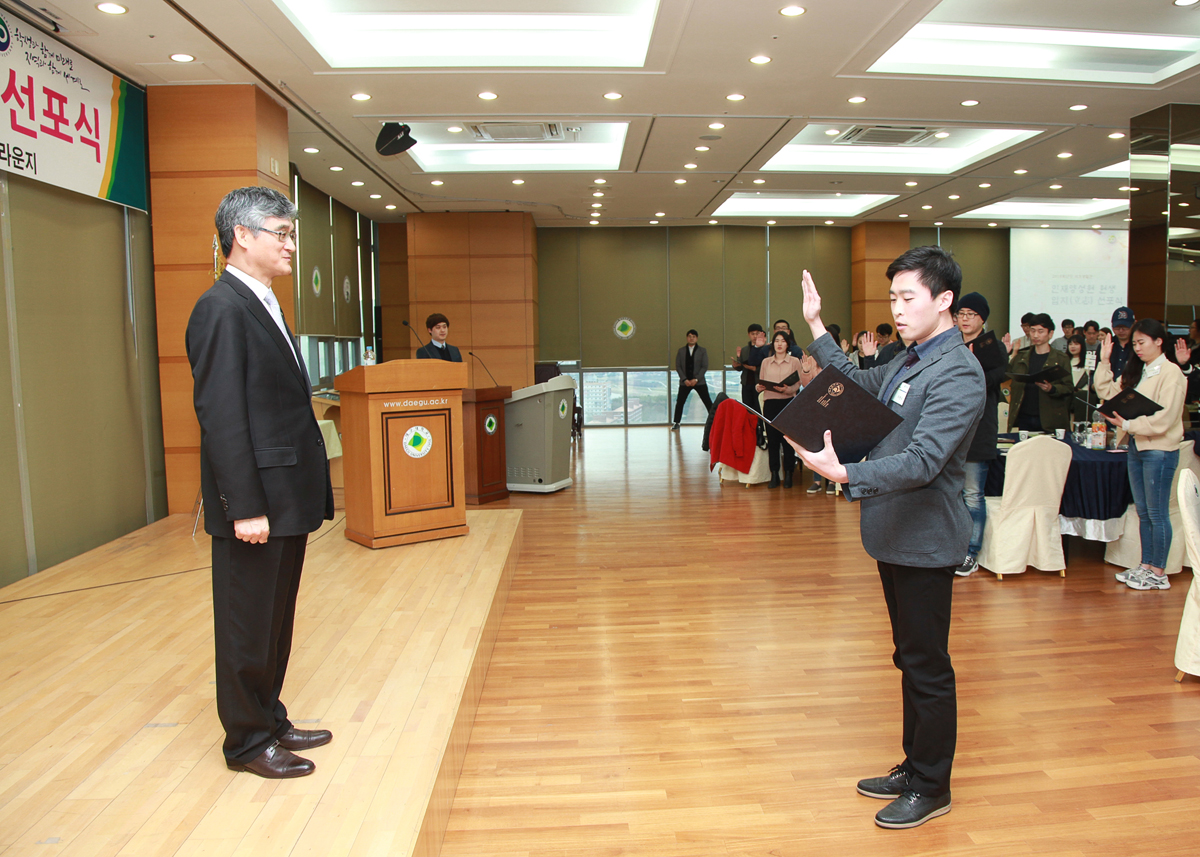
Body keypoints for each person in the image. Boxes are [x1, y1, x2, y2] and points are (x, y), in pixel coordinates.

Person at [789, 246, 985, 830]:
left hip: (926, 538)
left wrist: (846, 473)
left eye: (907, 297)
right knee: (908, 656)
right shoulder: (909, 359)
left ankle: (932, 785)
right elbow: (855, 383)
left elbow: (924, 460)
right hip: (894, 532)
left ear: (944, 300)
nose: (897, 310)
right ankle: (913, 765)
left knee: (927, 664)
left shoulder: (957, 371)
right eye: (892, 298)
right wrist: (817, 327)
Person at [186, 186, 336, 779]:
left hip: (285, 496)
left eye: (292, 234)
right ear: (242, 236)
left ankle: (269, 718)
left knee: (275, 621)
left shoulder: (264, 300)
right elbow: (221, 417)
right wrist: (243, 505)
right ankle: (247, 743)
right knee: (247, 625)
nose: (290, 244)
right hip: (256, 503)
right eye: (281, 233)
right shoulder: (220, 307)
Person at [1094, 320, 1186, 591]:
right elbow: (1108, 393)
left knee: (1157, 513)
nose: (1137, 348)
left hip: (1160, 449)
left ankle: (1159, 571)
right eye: (1134, 343)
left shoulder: (1171, 372)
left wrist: (1128, 424)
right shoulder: (1140, 371)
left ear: (1159, 341)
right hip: (1137, 445)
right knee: (1144, 512)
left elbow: (1166, 417)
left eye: (1142, 342)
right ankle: (1146, 565)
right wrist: (1105, 361)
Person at [954, 292, 1007, 577]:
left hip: (979, 430)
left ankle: (971, 553)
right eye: (961, 314)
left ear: (982, 319)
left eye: (970, 314)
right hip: (952, 430)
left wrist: (972, 367)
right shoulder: (951, 344)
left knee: (973, 495)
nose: (964, 319)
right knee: (952, 494)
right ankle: (953, 547)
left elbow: (996, 378)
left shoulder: (993, 348)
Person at [1006, 313, 1072, 433]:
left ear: (1050, 333)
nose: (1035, 335)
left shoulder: (1061, 358)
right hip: (1023, 416)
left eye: (1040, 331)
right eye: (1033, 331)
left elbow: (1068, 388)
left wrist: (1052, 388)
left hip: (1049, 418)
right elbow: (1005, 375)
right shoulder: (1021, 357)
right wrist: (1005, 354)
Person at [756, 329, 802, 488]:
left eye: (783, 341)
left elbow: (798, 383)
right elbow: (760, 382)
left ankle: (789, 474)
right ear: (773, 344)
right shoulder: (766, 362)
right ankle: (774, 474)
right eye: (776, 341)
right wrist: (758, 387)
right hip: (770, 403)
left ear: (788, 344)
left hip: (788, 403)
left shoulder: (794, 361)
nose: (779, 344)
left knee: (788, 440)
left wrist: (788, 390)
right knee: (773, 440)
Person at [672, 329, 712, 429]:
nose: (691, 338)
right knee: (680, 402)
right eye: (690, 336)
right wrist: (684, 379)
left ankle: (715, 421)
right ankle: (677, 423)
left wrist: (696, 379)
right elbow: (678, 366)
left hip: (699, 381)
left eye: (693, 336)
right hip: (685, 382)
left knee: (707, 401)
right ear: (687, 338)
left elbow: (704, 366)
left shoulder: (702, 351)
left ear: (696, 338)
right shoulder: (681, 351)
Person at [733, 323, 767, 409]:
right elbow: (741, 366)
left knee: (759, 408)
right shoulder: (744, 350)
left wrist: (755, 369)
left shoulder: (765, 349)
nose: (755, 336)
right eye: (752, 334)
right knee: (747, 408)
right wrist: (736, 365)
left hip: (759, 383)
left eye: (757, 333)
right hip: (746, 382)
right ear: (749, 335)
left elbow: (768, 367)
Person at [1066, 333, 1098, 423]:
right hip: (1068, 394)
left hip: (1083, 396)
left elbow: (1090, 377)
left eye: (1076, 344)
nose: (1073, 346)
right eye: (1070, 344)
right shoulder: (1065, 360)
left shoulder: (1088, 360)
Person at [1109, 306, 1135, 375]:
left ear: (1133, 325)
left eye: (1125, 327)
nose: (1121, 331)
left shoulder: (1139, 346)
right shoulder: (1106, 345)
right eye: (1117, 327)